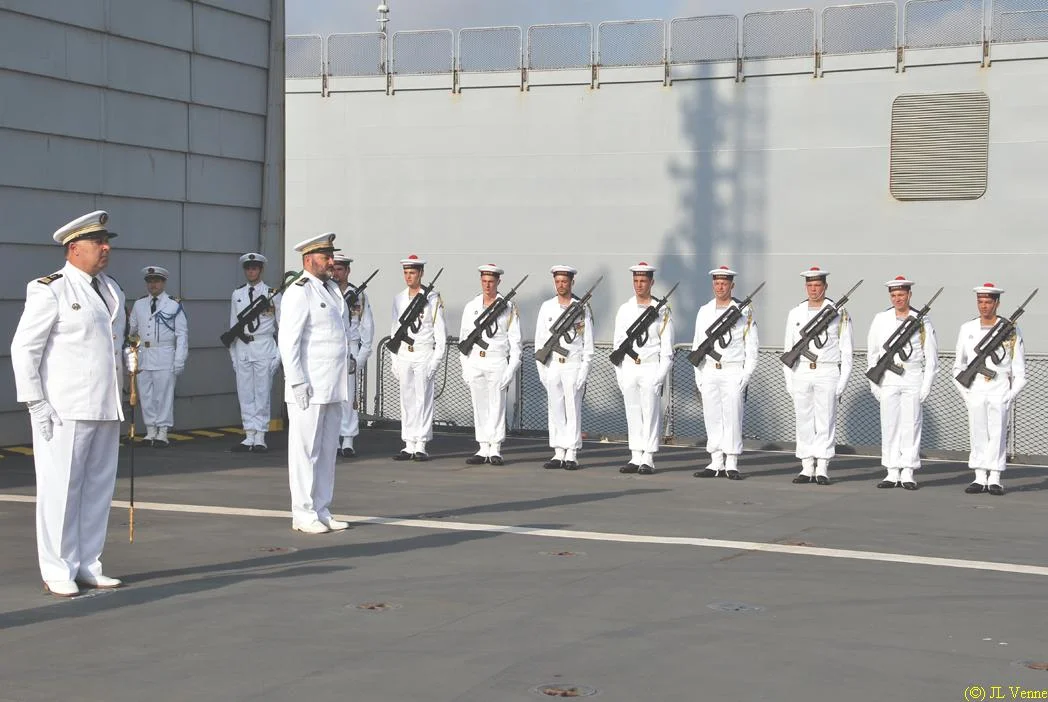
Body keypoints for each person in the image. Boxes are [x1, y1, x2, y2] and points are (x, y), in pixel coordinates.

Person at [10, 210, 128, 596]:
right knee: (61, 489)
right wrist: (34, 402)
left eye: (106, 241)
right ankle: (57, 566)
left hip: (105, 406)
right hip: (63, 407)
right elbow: (24, 349)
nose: (105, 248)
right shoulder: (50, 288)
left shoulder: (112, 290)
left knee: (97, 489)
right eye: (98, 242)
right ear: (74, 248)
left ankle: (87, 562)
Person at [278, 233, 350, 534]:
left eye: (331, 255)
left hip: (332, 385)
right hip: (308, 386)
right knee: (304, 452)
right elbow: (288, 341)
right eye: (326, 256)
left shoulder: (332, 289)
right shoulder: (299, 291)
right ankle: (303, 513)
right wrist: (296, 382)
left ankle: (322, 508)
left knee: (326, 451)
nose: (331, 261)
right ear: (309, 259)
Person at [953, 282, 1026, 496]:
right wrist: (965, 393)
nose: (984, 306)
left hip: (999, 388)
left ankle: (994, 477)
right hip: (975, 388)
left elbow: (1019, 369)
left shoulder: (1010, 330)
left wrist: (1010, 395)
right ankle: (978, 476)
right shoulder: (967, 328)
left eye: (988, 302)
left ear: (997, 303)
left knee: (997, 432)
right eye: (981, 302)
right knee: (978, 431)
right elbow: (958, 366)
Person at [783, 266, 853, 485]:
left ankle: (822, 466)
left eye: (817, 285)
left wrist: (842, 381)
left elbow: (847, 350)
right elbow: (788, 348)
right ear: (806, 287)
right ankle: (806, 467)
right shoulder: (796, 313)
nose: (814, 290)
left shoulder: (838, 313)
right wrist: (789, 381)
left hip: (827, 370)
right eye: (810, 285)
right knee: (803, 419)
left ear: (825, 286)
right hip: (802, 370)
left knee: (825, 420)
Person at [866, 276, 938, 490]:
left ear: (909, 295)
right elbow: (873, 353)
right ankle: (891, 471)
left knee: (911, 424)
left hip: (912, 376)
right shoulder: (881, 319)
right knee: (890, 424)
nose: (898, 299)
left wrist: (926, 385)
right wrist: (874, 383)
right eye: (894, 295)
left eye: (901, 295)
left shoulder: (922, 320)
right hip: (888, 376)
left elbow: (931, 357)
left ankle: (907, 471)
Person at [691, 266, 759, 480]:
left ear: (732, 285)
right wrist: (699, 376)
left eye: (724, 283)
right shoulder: (704, 310)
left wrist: (745, 375)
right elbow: (697, 345)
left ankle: (731, 463)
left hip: (732, 370)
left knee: (732, 416)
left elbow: (752, 347)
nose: (720, 287)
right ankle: (715, 462)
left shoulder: (743, 311)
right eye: (717, 283)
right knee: (712, 416)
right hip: (710, 369)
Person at [613, 262, 674, 475]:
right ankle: (635, 455)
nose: (639, 285)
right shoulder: (625, 309)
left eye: (643, 281)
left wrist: (659, 376)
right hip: (629, 367)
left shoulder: (662, 310)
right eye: (636, 281)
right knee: (633, 412)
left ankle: (648, 457)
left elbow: (667, 349)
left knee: (650, 412)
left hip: (650, 367)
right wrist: (620, 374)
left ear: (651, 282)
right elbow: (618, 345)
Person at [459, 263, 522, 465]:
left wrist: (511, 368)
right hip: (476, 360)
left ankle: (495, 448)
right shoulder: (472, 306)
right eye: (484, 281)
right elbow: (464, 340)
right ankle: (482, 447)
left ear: (498, 282)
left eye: (491, 281)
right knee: (480, 406)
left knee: (496, 405)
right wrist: (465, 367)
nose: (487, 285)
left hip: (496, 360)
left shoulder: (508, 308)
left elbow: (516, 342)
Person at [535, 265, 594, 470]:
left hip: (573, 365)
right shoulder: (547, 307)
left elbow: (588, 344)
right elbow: (540, 341)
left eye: (565, 281)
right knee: (556, 409)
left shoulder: (581, 308)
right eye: (558, 281)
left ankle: (572, 453)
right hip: (553, 365)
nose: (561, 285)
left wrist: (584, 371)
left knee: (572, 410)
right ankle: (558, 451)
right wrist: (542, 370)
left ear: (572, 283)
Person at [389, 255, 447, 461]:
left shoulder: (432, 299)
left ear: (421, 273)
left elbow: (440, 334)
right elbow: (395, 330)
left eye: (412, 272)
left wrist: (435, 361)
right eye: (405, 272)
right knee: (407, 399)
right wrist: (394, 358)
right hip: (405, 352)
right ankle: (408, 443)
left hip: (423, 353)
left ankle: (421, 443)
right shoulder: (399, 298)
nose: (408, 277)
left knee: (423, 399)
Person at [127, 265, 188, 448]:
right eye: (150, 281)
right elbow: (132, 331)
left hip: (164, 354)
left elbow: (182, 335)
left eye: (157, 281)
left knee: (163, 395)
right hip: (144, 355)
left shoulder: (173, 304)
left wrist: (180, 359)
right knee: (146, 395)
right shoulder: (139, 304)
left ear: (163, 282)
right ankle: (150, 430)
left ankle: (162, 431)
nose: (153, 285)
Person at [229, 252, 281, 452]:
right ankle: (249, 434)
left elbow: (282, 326)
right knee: (245, 393)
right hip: (243, 348)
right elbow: (233, 327)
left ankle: (260, 435)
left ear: (261, 270)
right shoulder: (237, 294)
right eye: (248, 268)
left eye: (254, 268)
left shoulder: (272, 294)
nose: (251, 271)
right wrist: (233, 355)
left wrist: (279, 355)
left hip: (264, 347)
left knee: (261, 393)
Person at [331, 253, 374, 458]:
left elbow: (367, 327)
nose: (336, 273)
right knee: (331, 396)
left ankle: (347, 440)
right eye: (334, 269)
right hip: (330, 349)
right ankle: (332, 439)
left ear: (347, 271)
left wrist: (361, 356)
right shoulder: (326, 293)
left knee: (348, 396)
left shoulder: (358, 295)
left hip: (350, 348)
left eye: (340, 269)